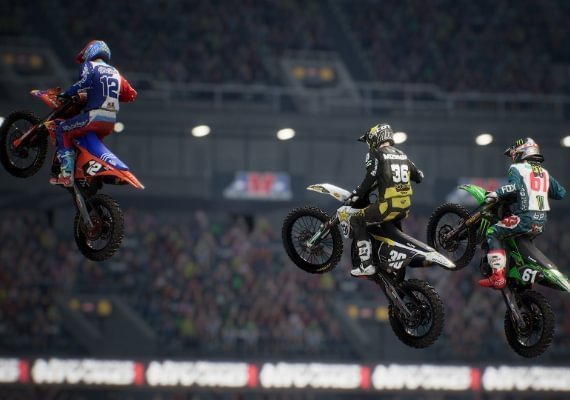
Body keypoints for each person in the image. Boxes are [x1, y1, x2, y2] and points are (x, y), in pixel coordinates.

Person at [479, 138, 566, 289]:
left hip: (525, 218)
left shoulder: (517, 168)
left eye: (514, 154)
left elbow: (514, 187)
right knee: (514, 241)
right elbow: (560, 193)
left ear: (521, 152)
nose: (513, 157)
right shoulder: (544, 173)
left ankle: (498, 276)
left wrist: (496, 193)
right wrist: (538, 190)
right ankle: (517, 272)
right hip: (541, 222)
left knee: (493, 232)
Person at [49, 40, 137, 187]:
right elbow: (131, 94)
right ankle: (92, 175)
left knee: (62, 129)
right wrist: (110, 95)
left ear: (90, 51)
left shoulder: (90, 65)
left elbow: (83, 82)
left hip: (94, 117)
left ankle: (66, 174)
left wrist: (65, 94)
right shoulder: (116, 72)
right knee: (87, 142)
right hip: (110, 121)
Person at [348, 123, 423, 276]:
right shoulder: (402, 155)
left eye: (370, 141)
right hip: (404, 209)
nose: (369, 145)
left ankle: (366, 264)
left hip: (387, 207)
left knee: (356, 219)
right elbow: (419, 176)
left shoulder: (376, 154)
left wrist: (358, 192)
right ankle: (390, 258)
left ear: (376, 138)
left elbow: (371, 175)